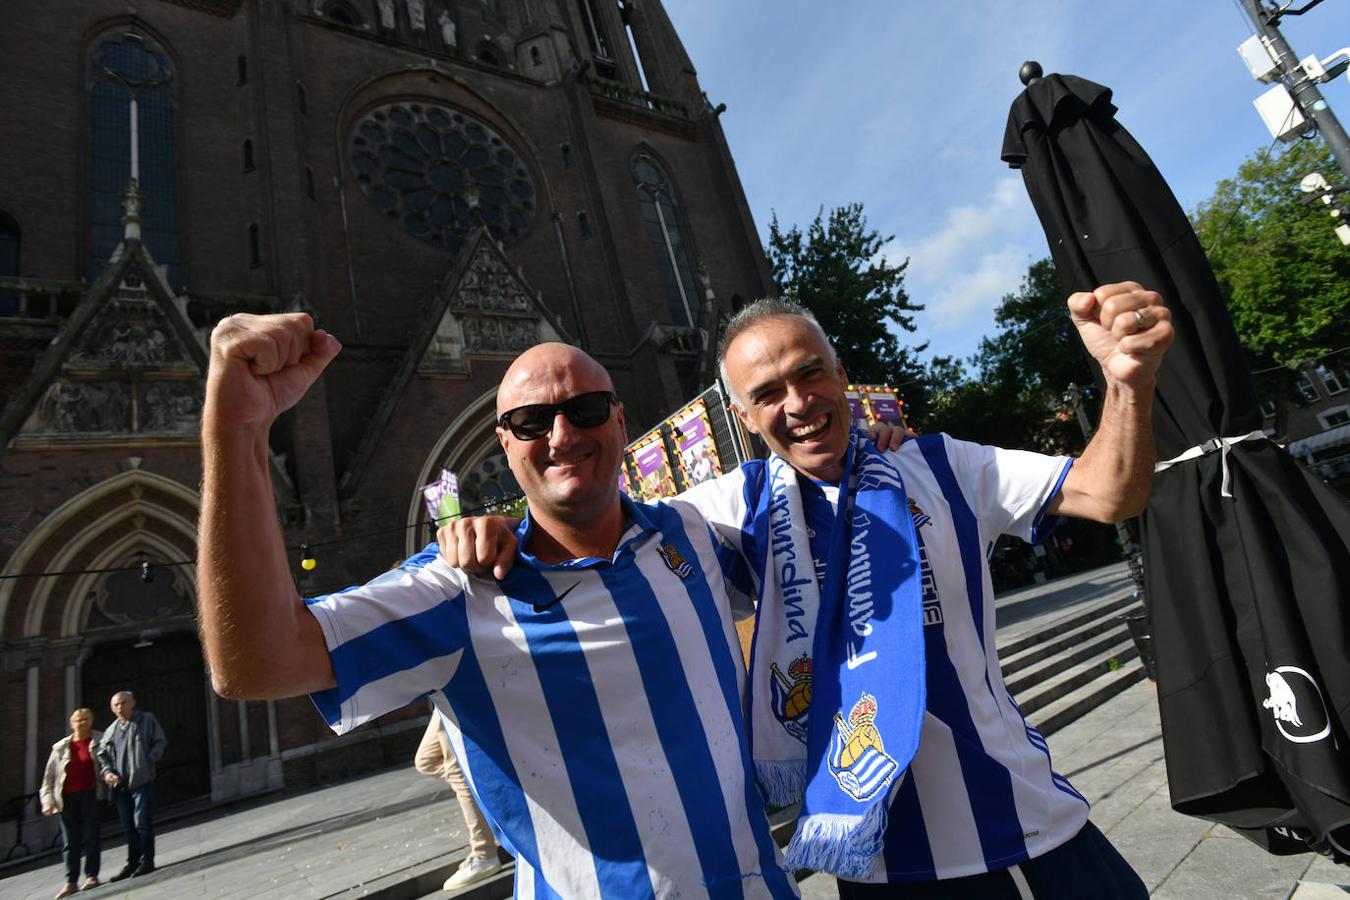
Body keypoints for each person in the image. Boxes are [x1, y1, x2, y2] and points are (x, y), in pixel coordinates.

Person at [442, 283, 1173, 898]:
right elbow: (601, 535)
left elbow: (1112, 493)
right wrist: (500, 533)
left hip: (1031, 831)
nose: (797, 402)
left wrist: (1127, 382)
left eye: (810, 373)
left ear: (840, 371)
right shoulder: (728, 511)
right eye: (767, 393)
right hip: (877, 866)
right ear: (741, 416)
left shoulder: (943, 466)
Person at [195, 314, 803, 897]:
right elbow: (255, 663)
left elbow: (824, 485)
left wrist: (887, 446)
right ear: (505, 443)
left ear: (619, 422)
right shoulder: (461, 590)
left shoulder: (695, 532)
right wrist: (236, 430)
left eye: (586, 411)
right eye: (533, 421)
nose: (562, 436)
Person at [413, 708, 503, 890]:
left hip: (448, 690)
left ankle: (484, 853)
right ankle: (492, 798)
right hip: (437, 696)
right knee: (426, 761)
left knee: (457, 772)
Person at [96, 690, 166, 881]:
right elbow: (102, 755)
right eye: (116, 705)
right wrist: (107, 772)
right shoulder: (111, 730)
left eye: (123, 703)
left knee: (141, 822)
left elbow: (159, 741)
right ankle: (132, 862)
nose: (120, 707)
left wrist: (148, 760)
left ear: (132, 703)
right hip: (120, 786)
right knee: (128, 827)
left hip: (141, 781)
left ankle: (147, 861)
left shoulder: (146, 720)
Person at [40, 708, 105, 898]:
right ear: (71, 723)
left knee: (91, 836)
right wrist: (47, 802)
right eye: (78, 720)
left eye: (85, 719)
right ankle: (71, 881)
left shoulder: (100, 740)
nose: (82, 723)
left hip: (90, 795)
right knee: (70, 841)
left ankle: (92, 876)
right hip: (67, 799)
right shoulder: (60, 747)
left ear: (91, 721)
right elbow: (48, 779)